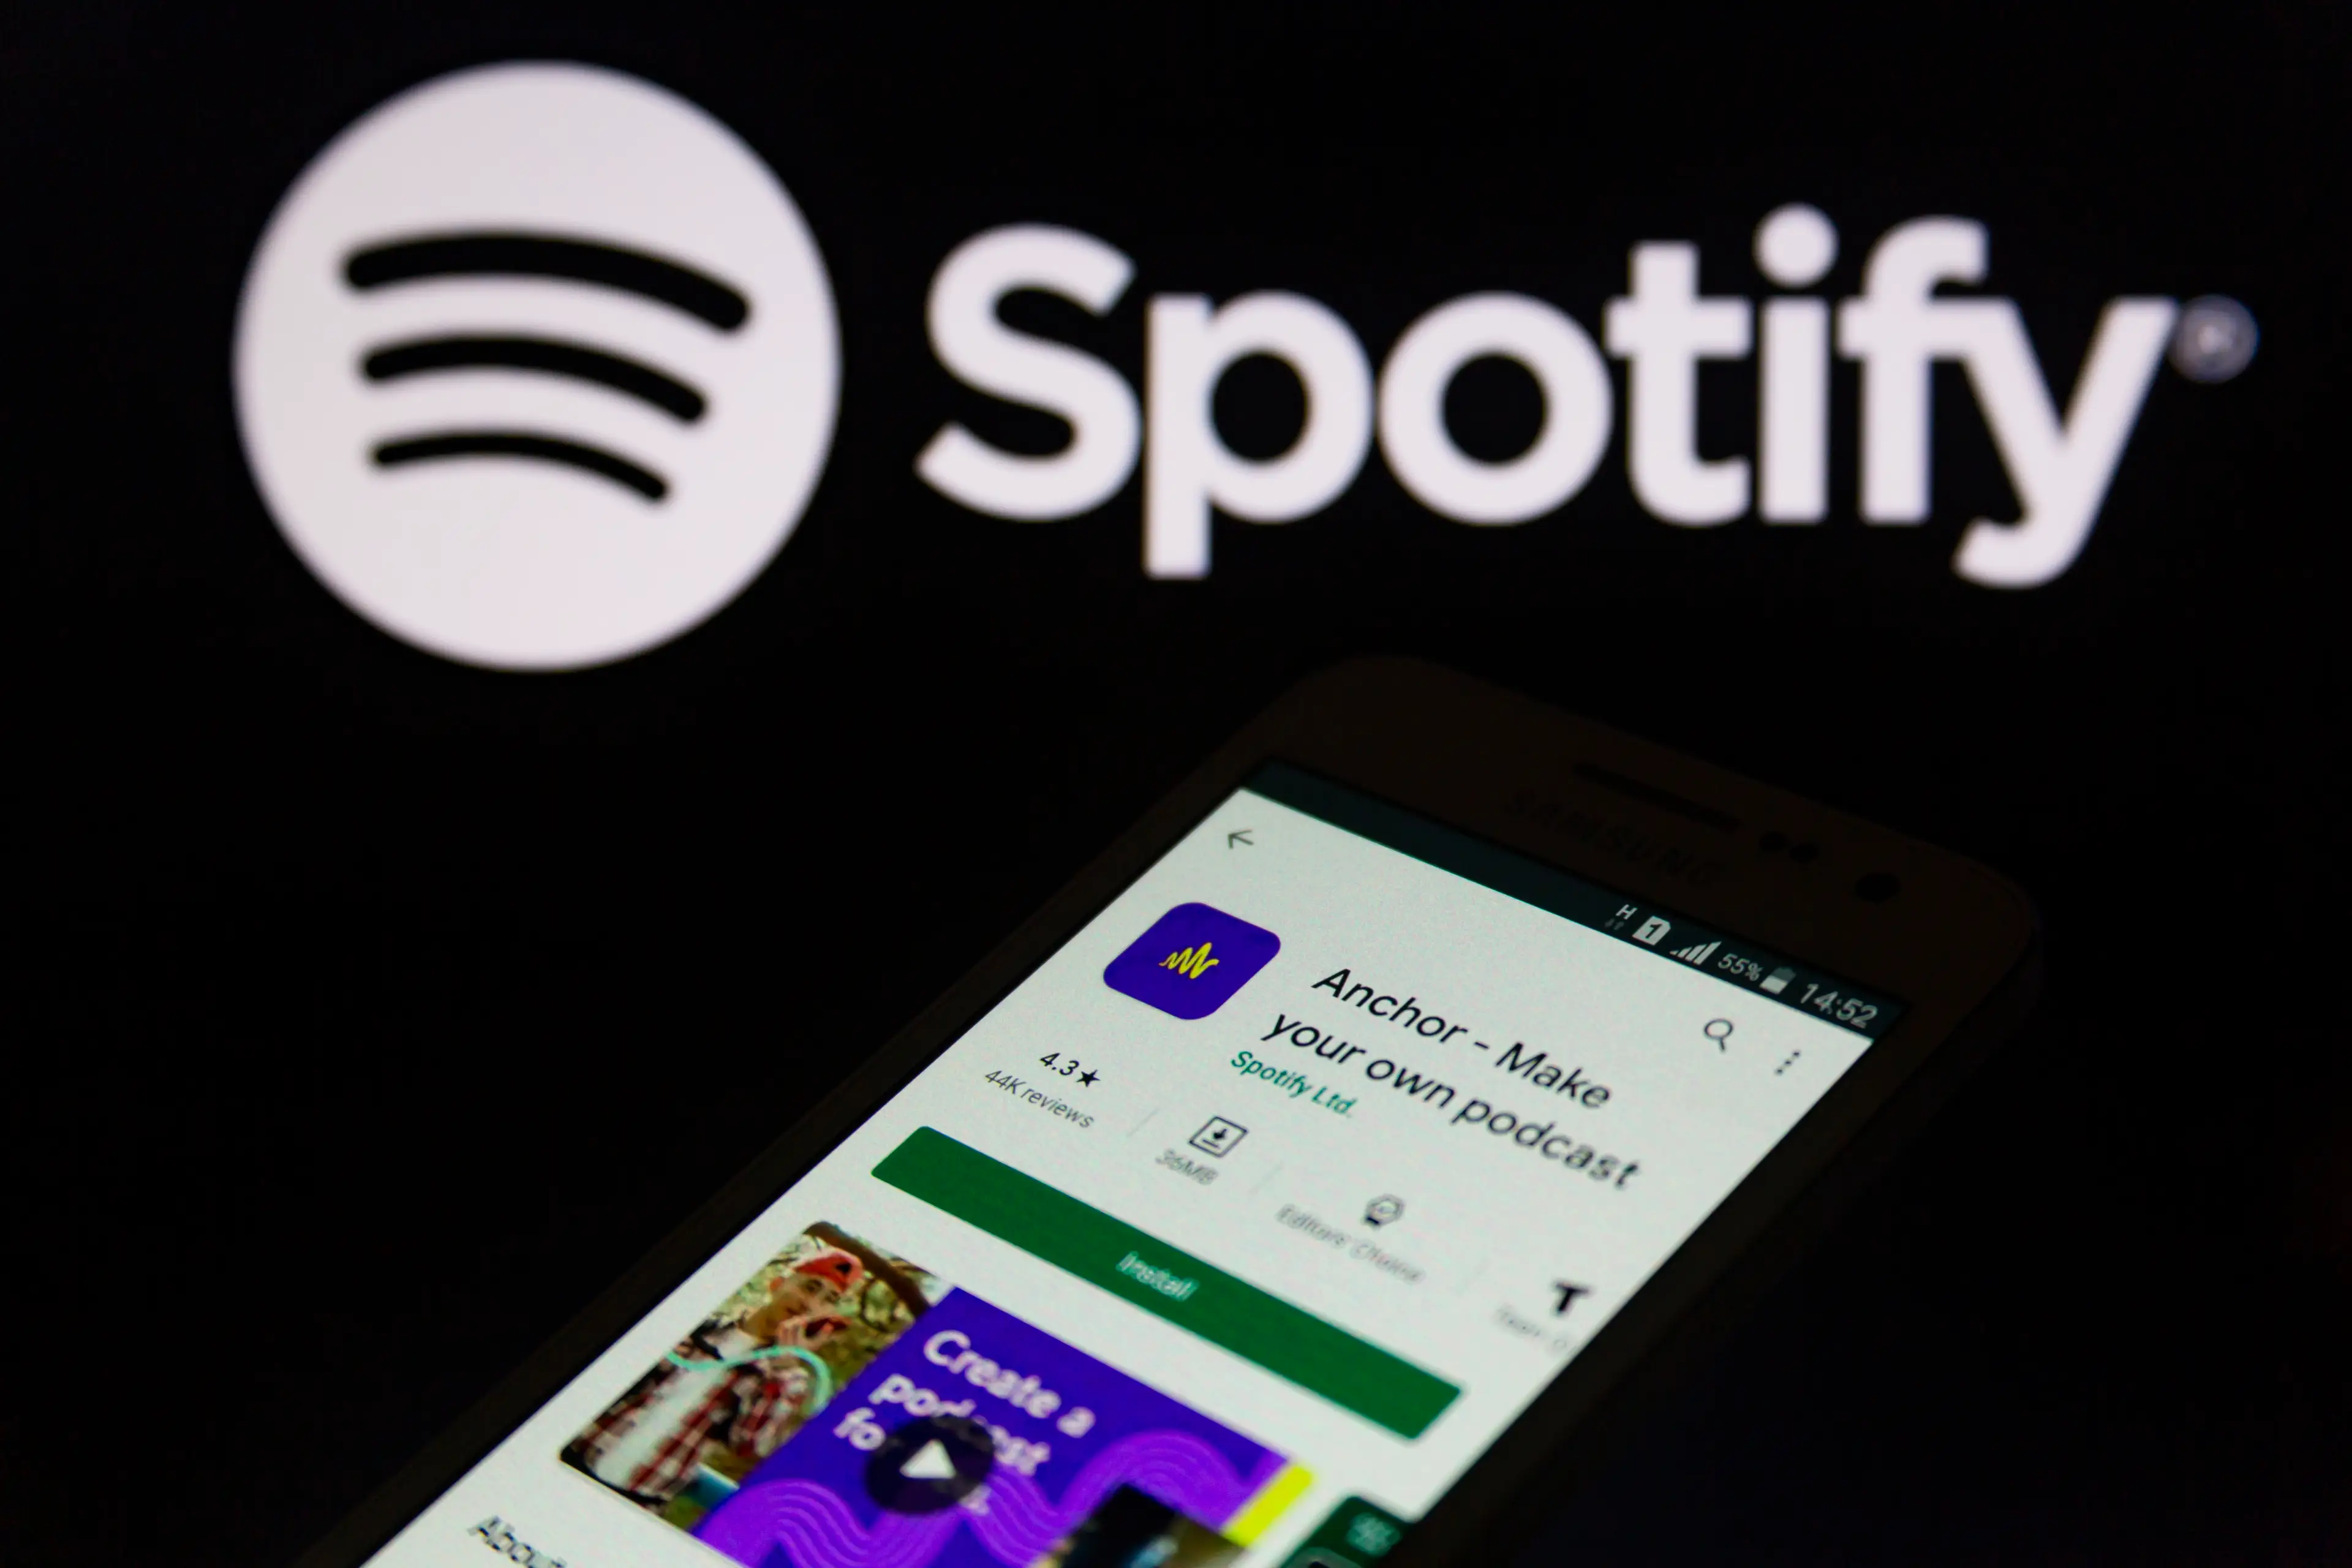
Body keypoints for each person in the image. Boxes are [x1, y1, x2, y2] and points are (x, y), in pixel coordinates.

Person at [564, 1247, 864, 1509]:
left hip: (639, 1498)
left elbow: (751, 1447)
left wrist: (785, 1368)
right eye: (810, 1287)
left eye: (827, 1299)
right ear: (778, 1283)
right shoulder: (700, 1327)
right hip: (574, 1459)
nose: (809, 1304)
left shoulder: (783, 1377)